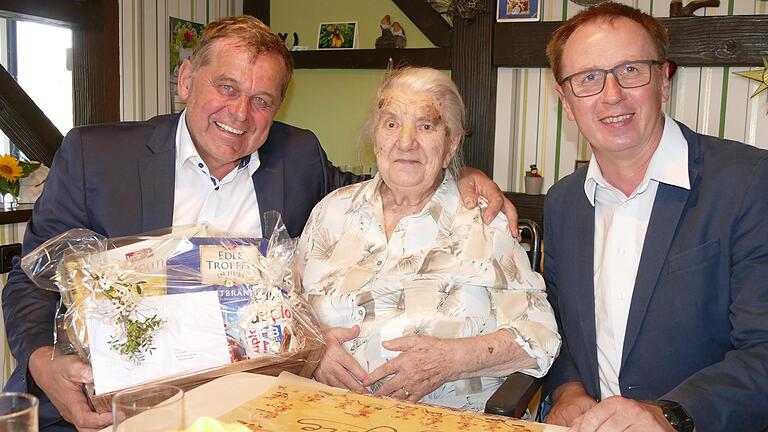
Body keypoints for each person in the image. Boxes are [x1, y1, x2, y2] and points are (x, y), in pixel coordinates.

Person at [1, 16, 517, 432]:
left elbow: (391, 173)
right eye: (225, 87)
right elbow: (31, 280)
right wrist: (45, 363)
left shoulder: (298, 157)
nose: (241, 113)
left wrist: (463, 170)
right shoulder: (97, 155)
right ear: (185, 80)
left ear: (277, 107)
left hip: (253, 406)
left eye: (262, 100)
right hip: (114, 406)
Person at [541, 3, 768, 432]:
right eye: (588, 78)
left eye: (631, 70)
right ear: (566, 102)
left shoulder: (750, 183)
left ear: (663, 81)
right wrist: (566, 387)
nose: (612, 95)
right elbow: (555, 324)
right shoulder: (562, 203)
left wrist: (670, 413)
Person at [296, 67, 561, 411]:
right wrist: (313, 347)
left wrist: (450, 359)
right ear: (375, 136)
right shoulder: (330, 212)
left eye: (426, 125)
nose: (405, 141)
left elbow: (540, 337)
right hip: (326, 415)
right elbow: (285, 312)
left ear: (450, 145)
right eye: (391, 123)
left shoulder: (483, 222)